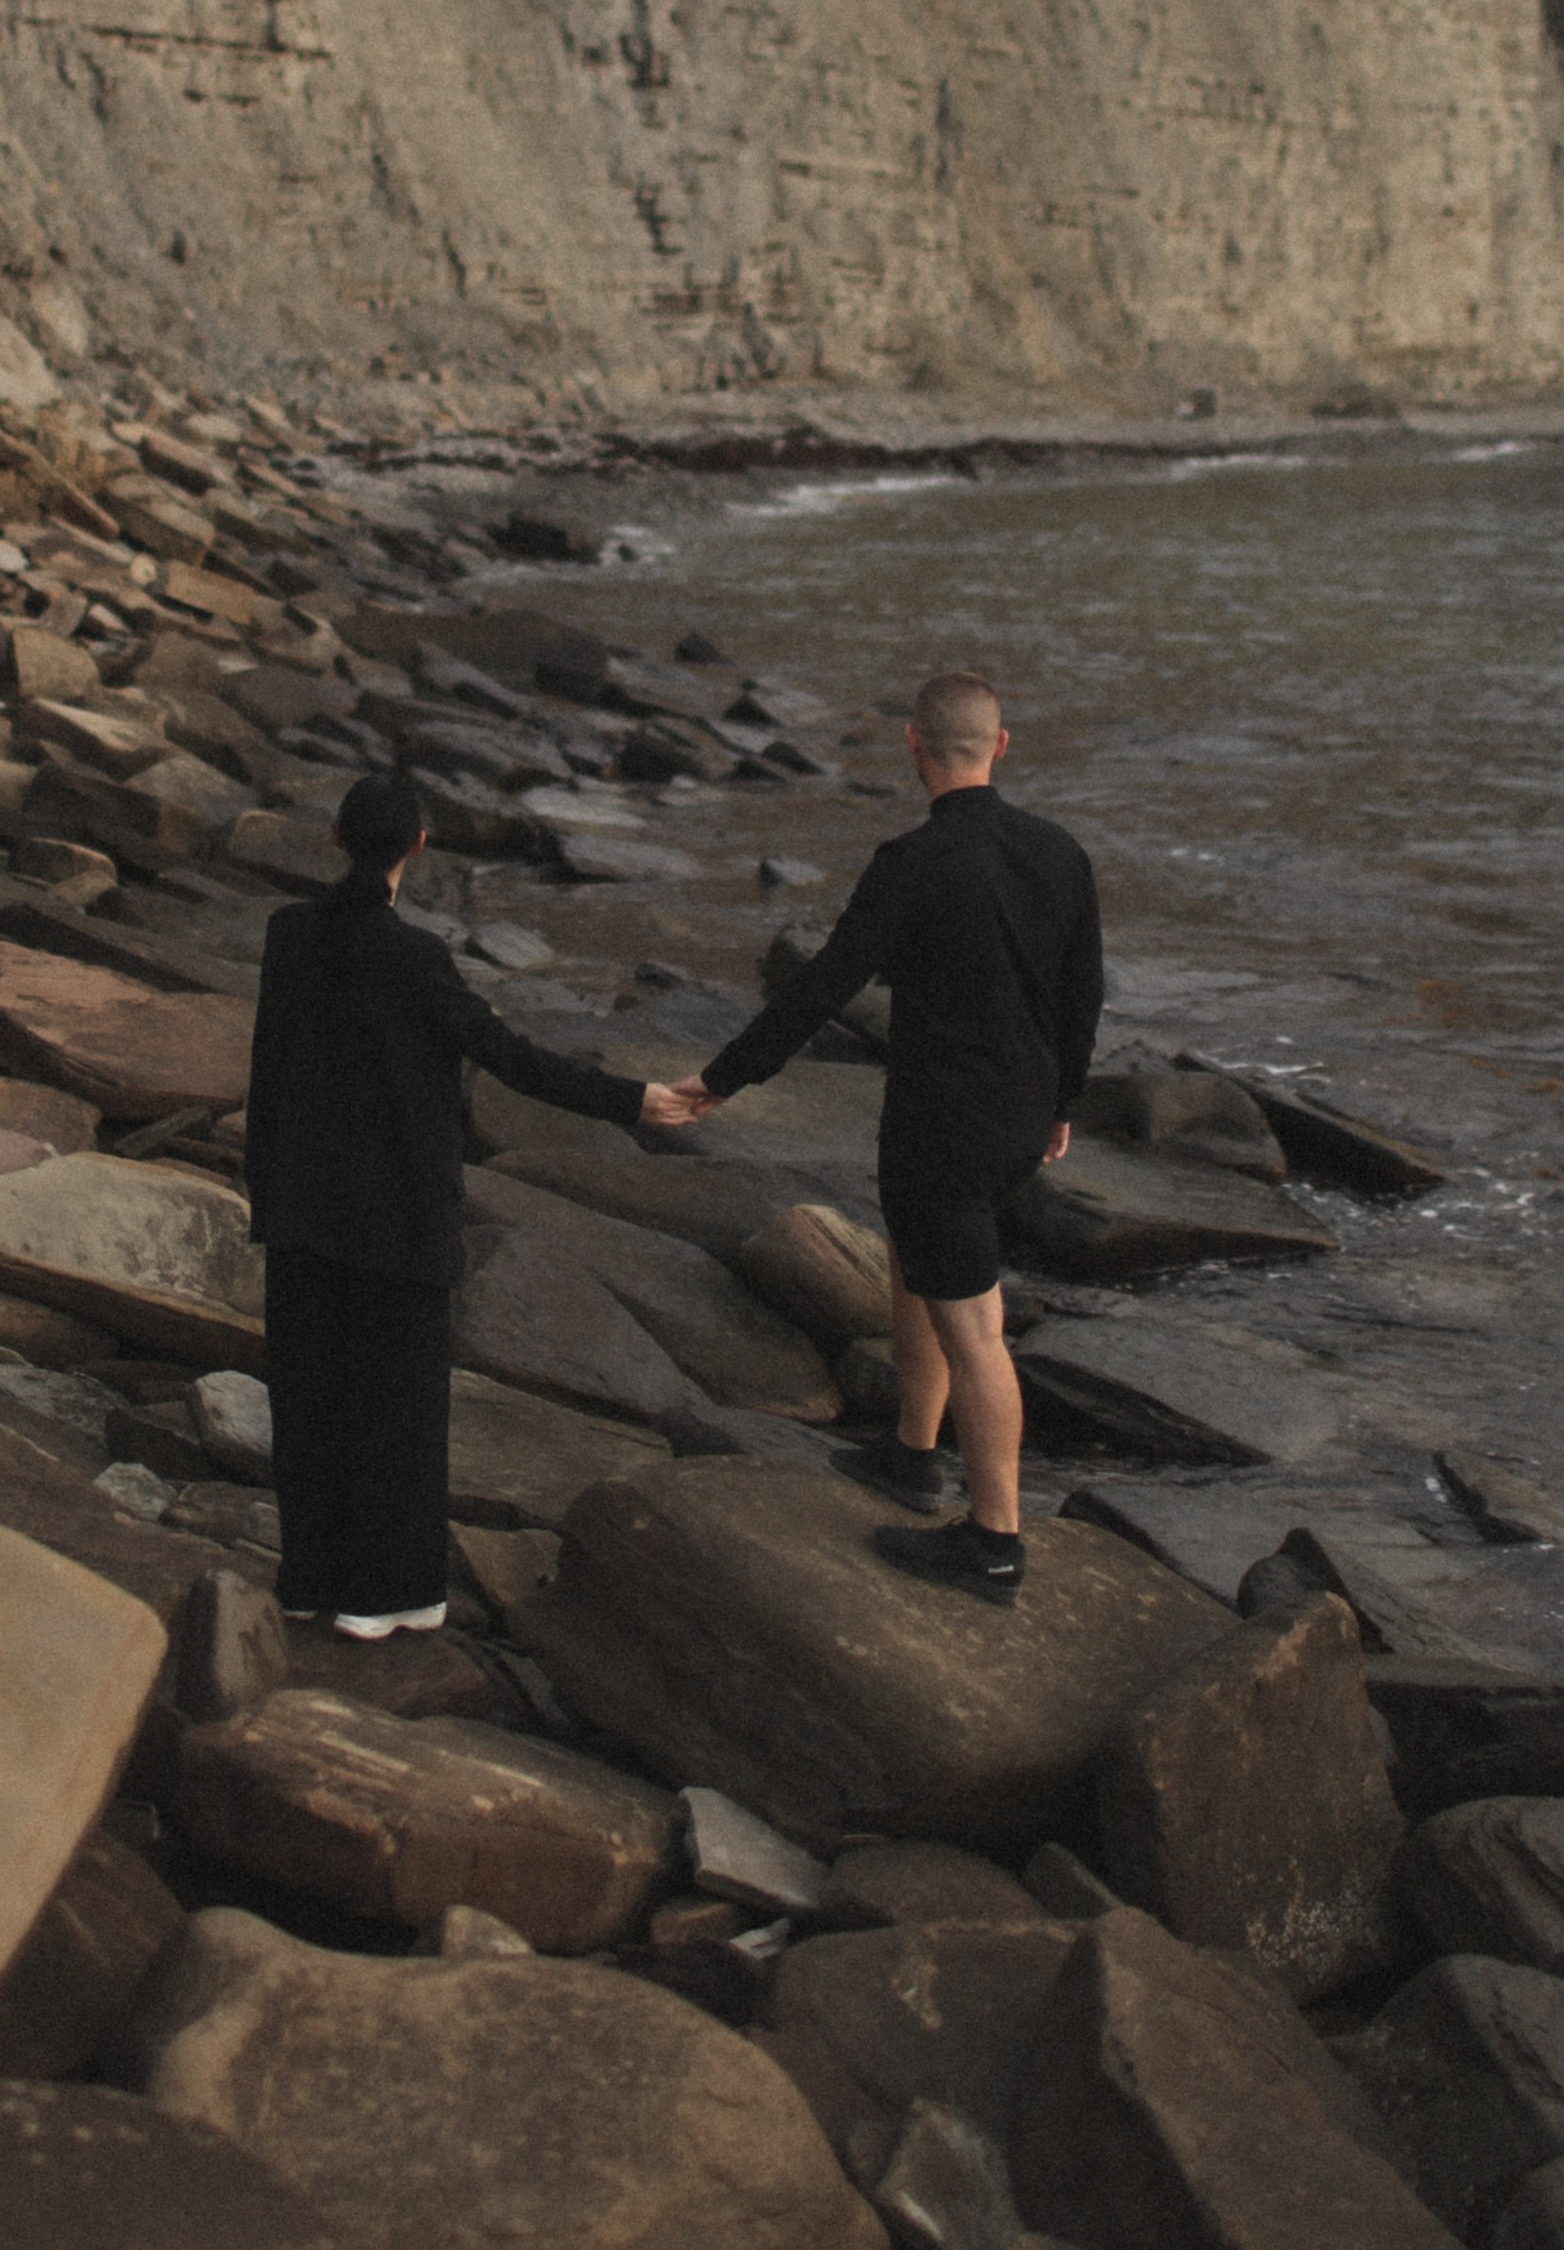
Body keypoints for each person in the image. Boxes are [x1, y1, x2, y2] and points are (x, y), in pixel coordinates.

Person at [668, 669, 1100, 1601]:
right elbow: (1081, 993)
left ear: (913, 747)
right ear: (1001, 744)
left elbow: (822, 988)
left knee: (975, 1326)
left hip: (943, 1128)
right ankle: (913, 1453)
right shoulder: (1061, 854)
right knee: (918, 1259)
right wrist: (1063, 1102)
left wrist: (719, 1081)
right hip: (1015, 1118)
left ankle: (993, 1542)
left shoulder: (910, 865)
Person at [245, 769, 705, 1639]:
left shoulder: (287, 936)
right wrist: (635, 1100)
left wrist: (262, 1190)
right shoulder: (415, 958)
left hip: (302, 1213)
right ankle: (388, 1596)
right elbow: (509, 1056)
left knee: (308, 1406)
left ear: (337, 841)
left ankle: (309, 1578)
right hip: (397, 1220)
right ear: (417, 848)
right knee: (398, 1413)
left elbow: (268, 1072)